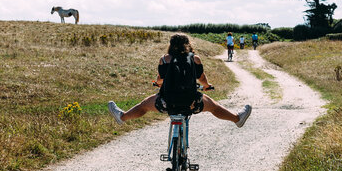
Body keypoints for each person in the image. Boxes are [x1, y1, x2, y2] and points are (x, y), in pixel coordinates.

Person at [108, 33, 252, 127]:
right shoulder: (195, 59)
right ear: (188, 44)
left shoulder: (164, 59)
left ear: (170, 45)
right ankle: (237, 119)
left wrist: (157, 83)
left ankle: (122, 117)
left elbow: (160, 80)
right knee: (214, 107)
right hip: (192, 102)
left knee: (144, 105)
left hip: (166, 102)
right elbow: (201, 78)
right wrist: (207, 86)